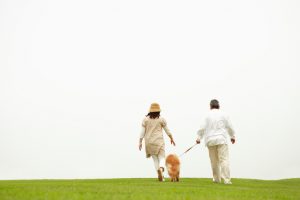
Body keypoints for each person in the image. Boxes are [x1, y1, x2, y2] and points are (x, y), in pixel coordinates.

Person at [196, 99, 236, 184]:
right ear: (219, 106)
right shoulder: (224, 114)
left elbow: (202, 127)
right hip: (221, 139)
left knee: (214, 161)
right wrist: (232, 136)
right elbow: (230, 126)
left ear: (210, 106)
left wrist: (199, 137)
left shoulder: (207, 115)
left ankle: (216, 179)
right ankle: (226, 180)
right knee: (224, 160)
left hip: (210, 141)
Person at [139, 103, 176, 181]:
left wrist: (140, 142)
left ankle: (160, 176)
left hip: (149, 142)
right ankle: (161, 170)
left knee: (155, 159)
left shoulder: (145, 119)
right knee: (162, 157)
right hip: (159, 141)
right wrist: (171, 138)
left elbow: (142, 132)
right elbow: (167, 130)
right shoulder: (161, 119)